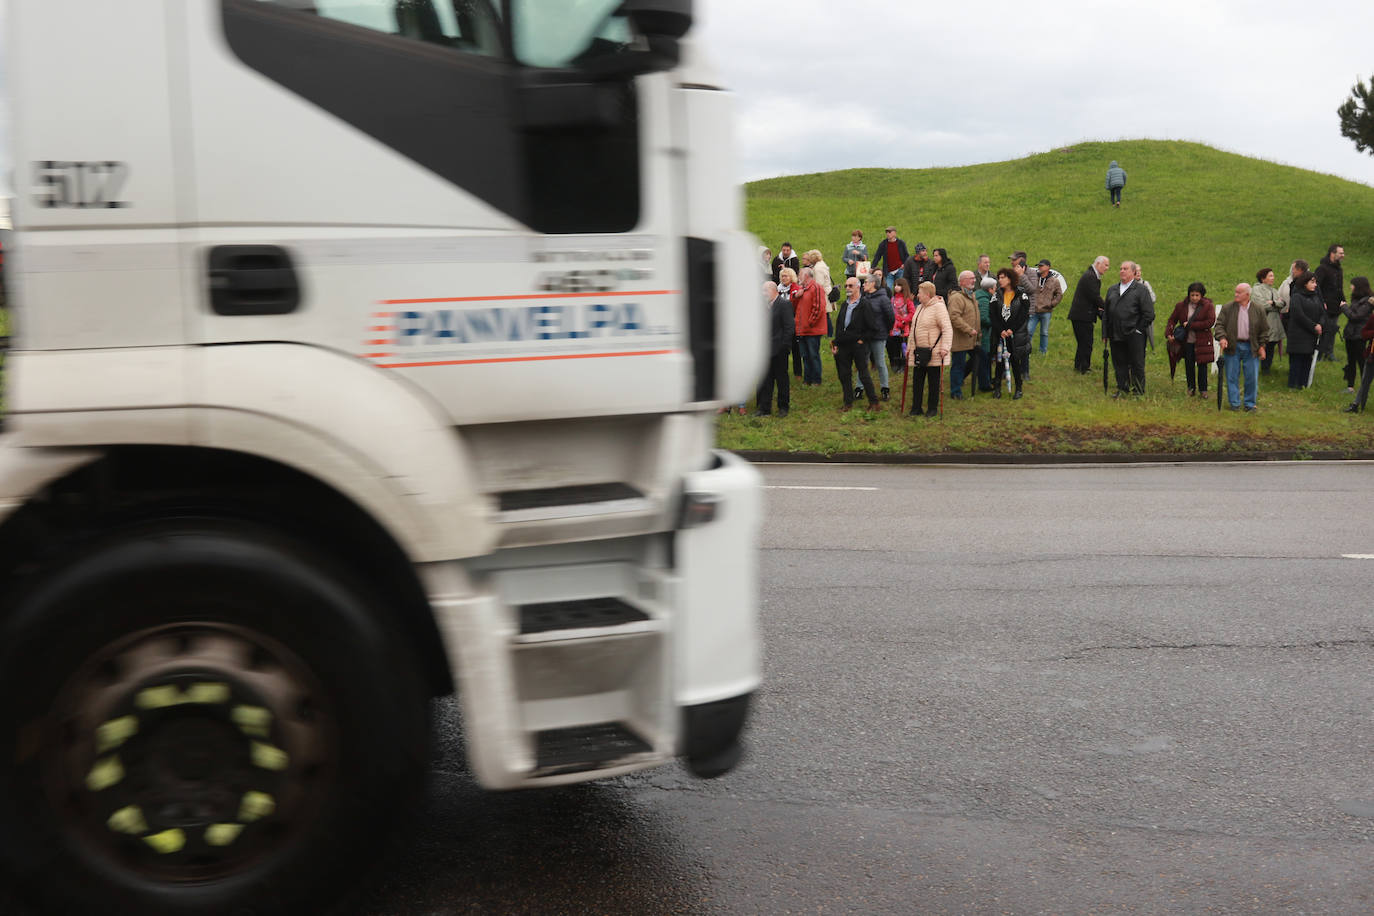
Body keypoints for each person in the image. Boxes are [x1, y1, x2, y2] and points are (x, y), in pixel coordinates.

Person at [1213, 283, 1268, 412]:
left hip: (1251, 347)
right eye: (1235, 292)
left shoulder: (1258, 309)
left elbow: (1264, 330)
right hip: (1233, 346)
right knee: (1231, 375)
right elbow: (1219, 325)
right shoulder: (1228, 308)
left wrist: (1262, 346)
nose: (1236, 295)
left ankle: (1249, 404)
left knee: (1251, 377)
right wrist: (1222, 338)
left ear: (1247, 295)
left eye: (1239, 293)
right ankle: (1234, 403)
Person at [1103, 260, 1154, 396]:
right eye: (1120, 268)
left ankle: (1138, 391)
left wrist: (1138, 330)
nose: (1122, 271)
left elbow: (1149, 314)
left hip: (1134, 334)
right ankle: (1122, 389)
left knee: (1137, 364)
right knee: (1119, 363)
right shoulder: (1112, 289)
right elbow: (1106, 313)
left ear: (1133, 272)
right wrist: (1105, 333)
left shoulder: (1141, 290)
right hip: (1116, 333)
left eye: (1125, 269)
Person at [831, 277, 880, 412]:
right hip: (843, 345)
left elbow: (873, 327)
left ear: (858, 287)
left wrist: (862, 340)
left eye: (850, 286)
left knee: (863, 374)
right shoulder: (845, 305)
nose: (847, 288)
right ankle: (848, 402)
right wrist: (835, 342)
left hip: (858, 345)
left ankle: (874, 402)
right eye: (846, 285)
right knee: (844, 374)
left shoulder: (864, 304)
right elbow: (840, 325)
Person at [906, 281, 953, 417]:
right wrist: (909, 347)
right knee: (917, 381)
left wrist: (945, 347)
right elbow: (913, 330)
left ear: (927, 294)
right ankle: (916, 407)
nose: (917, 295)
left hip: (934, 352)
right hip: (919, 352)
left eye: (919, 293)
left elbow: (947, 329)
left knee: (933, 382)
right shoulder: (920, 307)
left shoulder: (939, 308)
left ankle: (932, 409)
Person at [1165, 282, 1216, 397]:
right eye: (1192, 295)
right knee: (1189, 365)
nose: (1194, 298)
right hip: (1187, 341)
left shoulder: (1208, 306)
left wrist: (1191, 325)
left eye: (1197, 295)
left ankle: (1203, 390)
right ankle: (1191, 388)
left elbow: (1210, 322)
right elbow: (1172, 320)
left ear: (1202, 295)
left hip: (1202, 341)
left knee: (1202, 365)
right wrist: (1169, 333)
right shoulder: (1181, 306)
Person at [754, 280, 794, 417]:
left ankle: (783, 407)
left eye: (765, 291)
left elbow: (789, 327)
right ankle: (764, 408)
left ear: (773, 290)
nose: (763, 294)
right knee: (765, 379)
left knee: (782, 379)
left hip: (779, 349)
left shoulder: (784, 304)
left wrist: (784, 347)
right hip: (764, 351)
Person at [989, 268, 1030, 399]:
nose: (1000, 280)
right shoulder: (997, 295)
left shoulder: (1021, 294)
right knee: (1000, 361)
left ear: (1010, 279)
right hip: (1000, 334)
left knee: (1015, 360)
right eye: (999, 277)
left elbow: (1023, 314)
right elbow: (993, 314)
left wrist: (1012, 328)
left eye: (1002, 277)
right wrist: (1000, 330)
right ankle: (997, 389)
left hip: (1015, 335)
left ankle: (1018, 388)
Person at [1068, 256, 1109, 373]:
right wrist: (1109, 308)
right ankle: (1084, 367)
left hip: (1080, 315)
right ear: (1098, 264)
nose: (1107, 268)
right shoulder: (1090, 277)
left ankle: (1079, 365)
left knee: (1083, 342)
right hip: (1082, 316)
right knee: (1086, 342)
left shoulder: (1091, 275)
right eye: (1105, 265)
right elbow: (1095, 297)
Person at [1286, 270, 1324, 389]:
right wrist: (1313, 326)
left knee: (1307, 359)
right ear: (1304, 283)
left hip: (1311, 336)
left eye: (1315, 282)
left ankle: (1303, 383)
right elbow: (1298, 315)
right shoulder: (1297, 296)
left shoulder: (1316, 297)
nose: (1315, 285)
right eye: (1312, 282)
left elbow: (1323, 312)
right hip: (1298, 335)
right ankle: (1293, 384)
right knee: (1297, 360)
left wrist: (1320, 324)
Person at [946, 271, 981, 399]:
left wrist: (978, 332)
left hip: (972, 339)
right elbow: (954, 317)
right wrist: (968, 329)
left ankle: (960, 380)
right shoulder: (957, 298)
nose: (973, 281)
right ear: (962, 282)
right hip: (961, 339)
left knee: (978, 358)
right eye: (970, 279)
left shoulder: (972, 296)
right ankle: (955, 392)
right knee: (958, 365)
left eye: (973, 278)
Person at [861, 274, 894, 400]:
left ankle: (885, 388)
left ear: (873, 284)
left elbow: (890, 317)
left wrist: (884, 330)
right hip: (865, 335)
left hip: (879, 335)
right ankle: (859, 387)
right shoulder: (864, 297)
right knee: (862, 362)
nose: (864, 284)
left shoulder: (883, 298)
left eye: (866, 282)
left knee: (880, 362)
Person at [793, 267, 827, 386]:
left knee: (813, 355)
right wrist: (797, 295)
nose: (798, 277)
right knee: (805, 356)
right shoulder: (802, 288)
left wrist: (810, 323)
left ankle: (816, 380)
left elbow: (819, 307)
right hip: (802, 330)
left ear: (807, 275)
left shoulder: (816, 287)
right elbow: (794, 305)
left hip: (812, 330)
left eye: (800, 274)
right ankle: (807, 379)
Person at [1340, 276, 1374, 393]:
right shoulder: (1356, 299)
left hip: (1359, 336)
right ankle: (1350, 386)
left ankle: (1364, 387)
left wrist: (1344, 307)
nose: (1351, 287)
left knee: (1361, 361)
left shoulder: (1369, 301)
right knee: (1351, 361)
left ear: (1358, 286)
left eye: (1352, 284)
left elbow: (1355, 317)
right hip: (1350, 334)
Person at [1314, 243, 1346, 361]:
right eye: (1341, 253)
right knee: (1324, 330)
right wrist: (1321, 303)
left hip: (1336, 306)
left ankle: (1329, 353)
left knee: (1332, 329)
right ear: (1333, 253)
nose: (1343, 255)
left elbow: (1339, 288)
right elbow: (1316, 287)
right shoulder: (1322, 268)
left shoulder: (1339, 269)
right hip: (1325, 306)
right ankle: (1319, 354)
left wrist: (1344, 302)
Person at [1027, 258, 1064, 357]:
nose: (1039, 268)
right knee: (1029, 331)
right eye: (1038, 266)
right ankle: (1027, 350)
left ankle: (1043, 351)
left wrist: (1052, 304)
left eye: (1041, 266)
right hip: (1034, 310)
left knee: (1044, 333)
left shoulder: (1055, 281)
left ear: (1048, 267)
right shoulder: (1034, 278)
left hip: (1046, 311)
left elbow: (1059, 294)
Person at [1252, 268, 1284, 374]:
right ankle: (1256, 368)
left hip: (1275, 324)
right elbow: (1261, 305)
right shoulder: (1257, 290)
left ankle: (1266, 369)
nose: (1273, 278)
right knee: (1262, 345)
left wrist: (1273, 303)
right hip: (1263, 323)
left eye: (1273, 276)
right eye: (1270, 276)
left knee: (1271, 346)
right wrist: (1275, 304)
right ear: (1263, 278)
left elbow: (1282, 304)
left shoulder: (1274, 291)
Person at [1343, 309, 1374, 412]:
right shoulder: (1373, 317)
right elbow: (1364, 333)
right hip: (1372, 356)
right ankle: (1356, 404)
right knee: (1365, 381)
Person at [778, 266, 802, 380]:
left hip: (793, 320)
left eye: (786, 276)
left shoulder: (796, 288)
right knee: (783, 349)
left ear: (791, 277)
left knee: (795, 349)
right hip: (780, 322)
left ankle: (798, 373)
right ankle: (783, 371)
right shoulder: (778, 289)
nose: (783, 278)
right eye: (782, 276)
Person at [974, 275, 996, 392]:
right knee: (984, 359)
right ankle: (984, 384)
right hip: (983, 335)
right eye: (995, 287)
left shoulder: (979, 295)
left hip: (980, 334)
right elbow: (983, 318)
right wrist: (994, 323)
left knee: (978, 359)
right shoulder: (984, 299)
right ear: (990, 289)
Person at [889, 277, 915, 373]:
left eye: (899, 285)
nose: (896, 287)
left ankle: (904, 365)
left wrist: (904, 321)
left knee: (903, 345)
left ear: (903, 287)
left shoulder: (907, 300)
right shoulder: (892, 299)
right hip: (894, 327)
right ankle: (896, 363)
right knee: (895, 346)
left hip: (904, 327)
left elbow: (912, 313)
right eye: (895, 285)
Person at [872, 227, 909, 293]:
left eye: (890, 232)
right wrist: (872, 267)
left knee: (900, 289)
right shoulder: (883, 244)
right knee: (887, 288)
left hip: (900, 270)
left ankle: (899, 302)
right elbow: (877, 256)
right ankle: (888, 302)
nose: (888, 234)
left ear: (895, 233)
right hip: (888, 271)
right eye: (887, 232)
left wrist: (904, 264)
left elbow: (906, 255)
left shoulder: (901, 243)